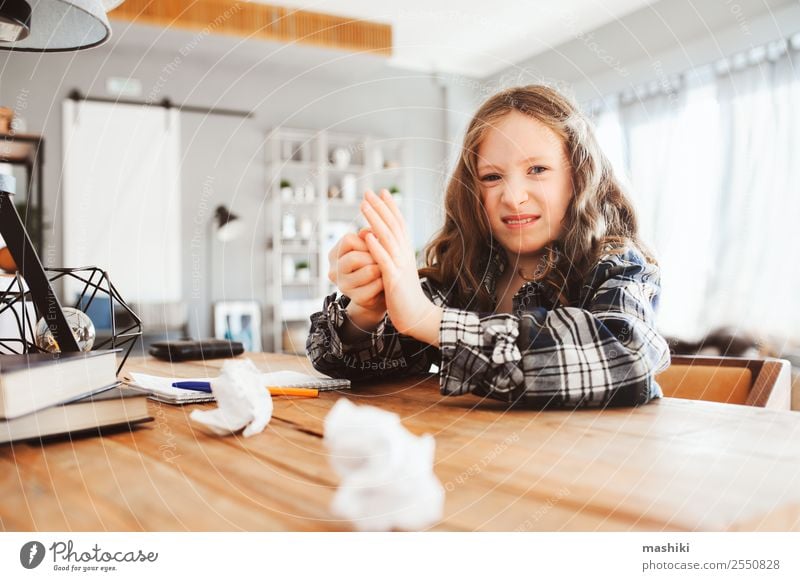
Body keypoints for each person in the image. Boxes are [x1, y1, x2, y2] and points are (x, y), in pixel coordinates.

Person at [307, 85, 671, 408]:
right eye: (492, 177)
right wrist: (368, 310)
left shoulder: (617, 265)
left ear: (579, 178)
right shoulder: (464, 272)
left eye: (538, 170)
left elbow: (626, 355)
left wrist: (427, 320)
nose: (512, 197)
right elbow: (350, 364)